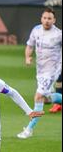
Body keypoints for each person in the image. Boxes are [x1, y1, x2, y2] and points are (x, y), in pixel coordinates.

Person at [17, 8, 62, 138]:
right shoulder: (36, 30)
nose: (46, 21)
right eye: (44, 18)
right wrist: (27, 57)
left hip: (53, 70)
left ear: (54, 20)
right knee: (47, 99)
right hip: (40, 70)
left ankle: (29, 130)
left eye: (49, 18)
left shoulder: (58, 34)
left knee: (38, 97)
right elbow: (30, 46)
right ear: (41, 18)